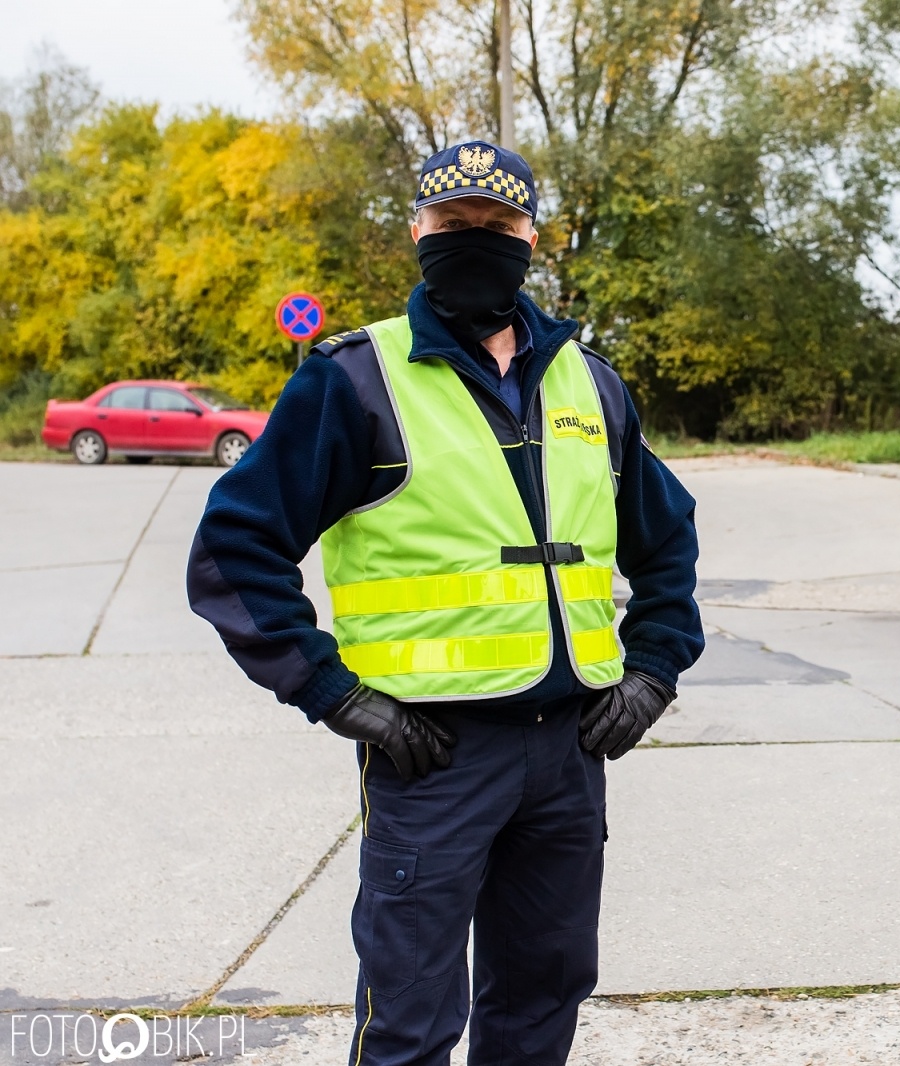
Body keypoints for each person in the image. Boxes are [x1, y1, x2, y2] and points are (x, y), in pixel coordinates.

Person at [187, 140, 704, 1066]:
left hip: (571, 749)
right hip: (431, 758)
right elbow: (234, 550)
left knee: (542, 999)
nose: (474, 240)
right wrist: (334, 693)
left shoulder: (593, 385)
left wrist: (655, 670)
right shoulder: (355, 380)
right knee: (410, 1023)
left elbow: (667, 542)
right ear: (416, 232)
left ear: (532, 238)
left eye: (496, 225)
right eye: (453, 223)